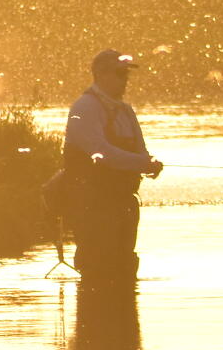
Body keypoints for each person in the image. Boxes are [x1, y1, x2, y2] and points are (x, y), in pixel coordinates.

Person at [64, 48, 162, 280]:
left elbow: (141, 151)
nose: (125, 80)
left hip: (124, 203)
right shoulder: (84, 107)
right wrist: (141, 163)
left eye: (126, 74)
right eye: (120, 74)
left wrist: (150, 163)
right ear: (101, 74)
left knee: (125, 265)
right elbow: (101, 153)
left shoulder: (126, 111)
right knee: (98, 266)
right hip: (92, 204)